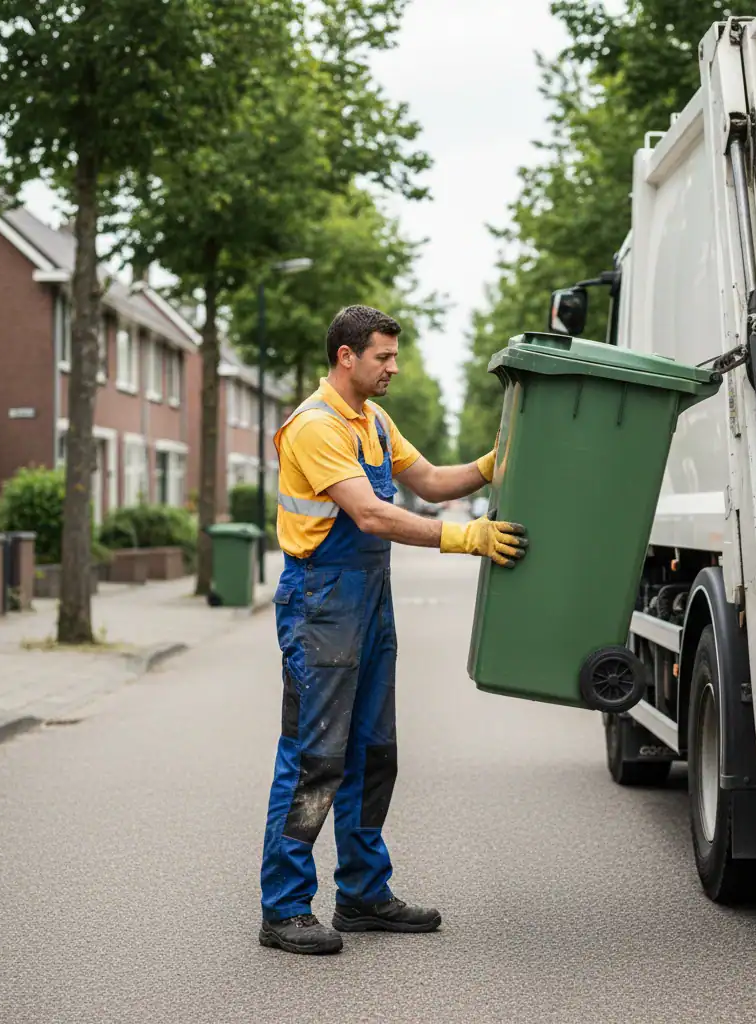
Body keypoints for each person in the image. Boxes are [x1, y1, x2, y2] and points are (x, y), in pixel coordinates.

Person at [259, 304, 527, 956]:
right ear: (346, 356)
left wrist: (494, 462)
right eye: (383, 356)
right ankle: (284, 907)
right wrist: (466, 537)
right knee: (316, 759)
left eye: (394, 356)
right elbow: (372, 515)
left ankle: (362, 893)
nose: (393, 368)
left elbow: (430, 482)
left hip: (369, 600)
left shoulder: (373, 422)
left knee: (375, 752)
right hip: (321, 601)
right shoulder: (316, 426)